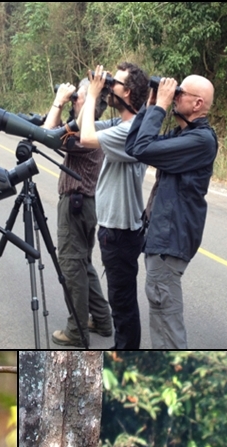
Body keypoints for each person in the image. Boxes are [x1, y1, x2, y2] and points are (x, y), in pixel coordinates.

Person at [126, 74, 218, 348]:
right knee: (162, 317)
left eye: (180, 93)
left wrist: (160, 108)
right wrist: (150, 106)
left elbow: (142, 148)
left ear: (198, 103)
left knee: (167, 326)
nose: (175, 95)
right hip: (162, 239)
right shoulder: (183, 134)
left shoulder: (201, 141)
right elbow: (134, 147)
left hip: (170, 242)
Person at [77, 63, 150, 349]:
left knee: (122, 304)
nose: (109, 86)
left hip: (120, 231)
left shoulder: (130, 131)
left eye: (114, 83)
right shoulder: (124, 124)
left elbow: (85, 138)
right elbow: (84, 125)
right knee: (122, 300)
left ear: (128, 92)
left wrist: (94, 93)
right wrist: (91, 96)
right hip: (116, 228)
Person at [41, 78, 111, 347]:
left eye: (78, 97)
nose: (74, 100)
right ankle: (102, 320)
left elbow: (47, 136)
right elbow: (52, 130)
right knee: (83, 264)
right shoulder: (88, 129)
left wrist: (58, 100)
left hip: (76, 206)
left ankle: (77, 331)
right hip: (83, 205)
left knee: (72, 264)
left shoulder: (86, 134)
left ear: (91, 102)